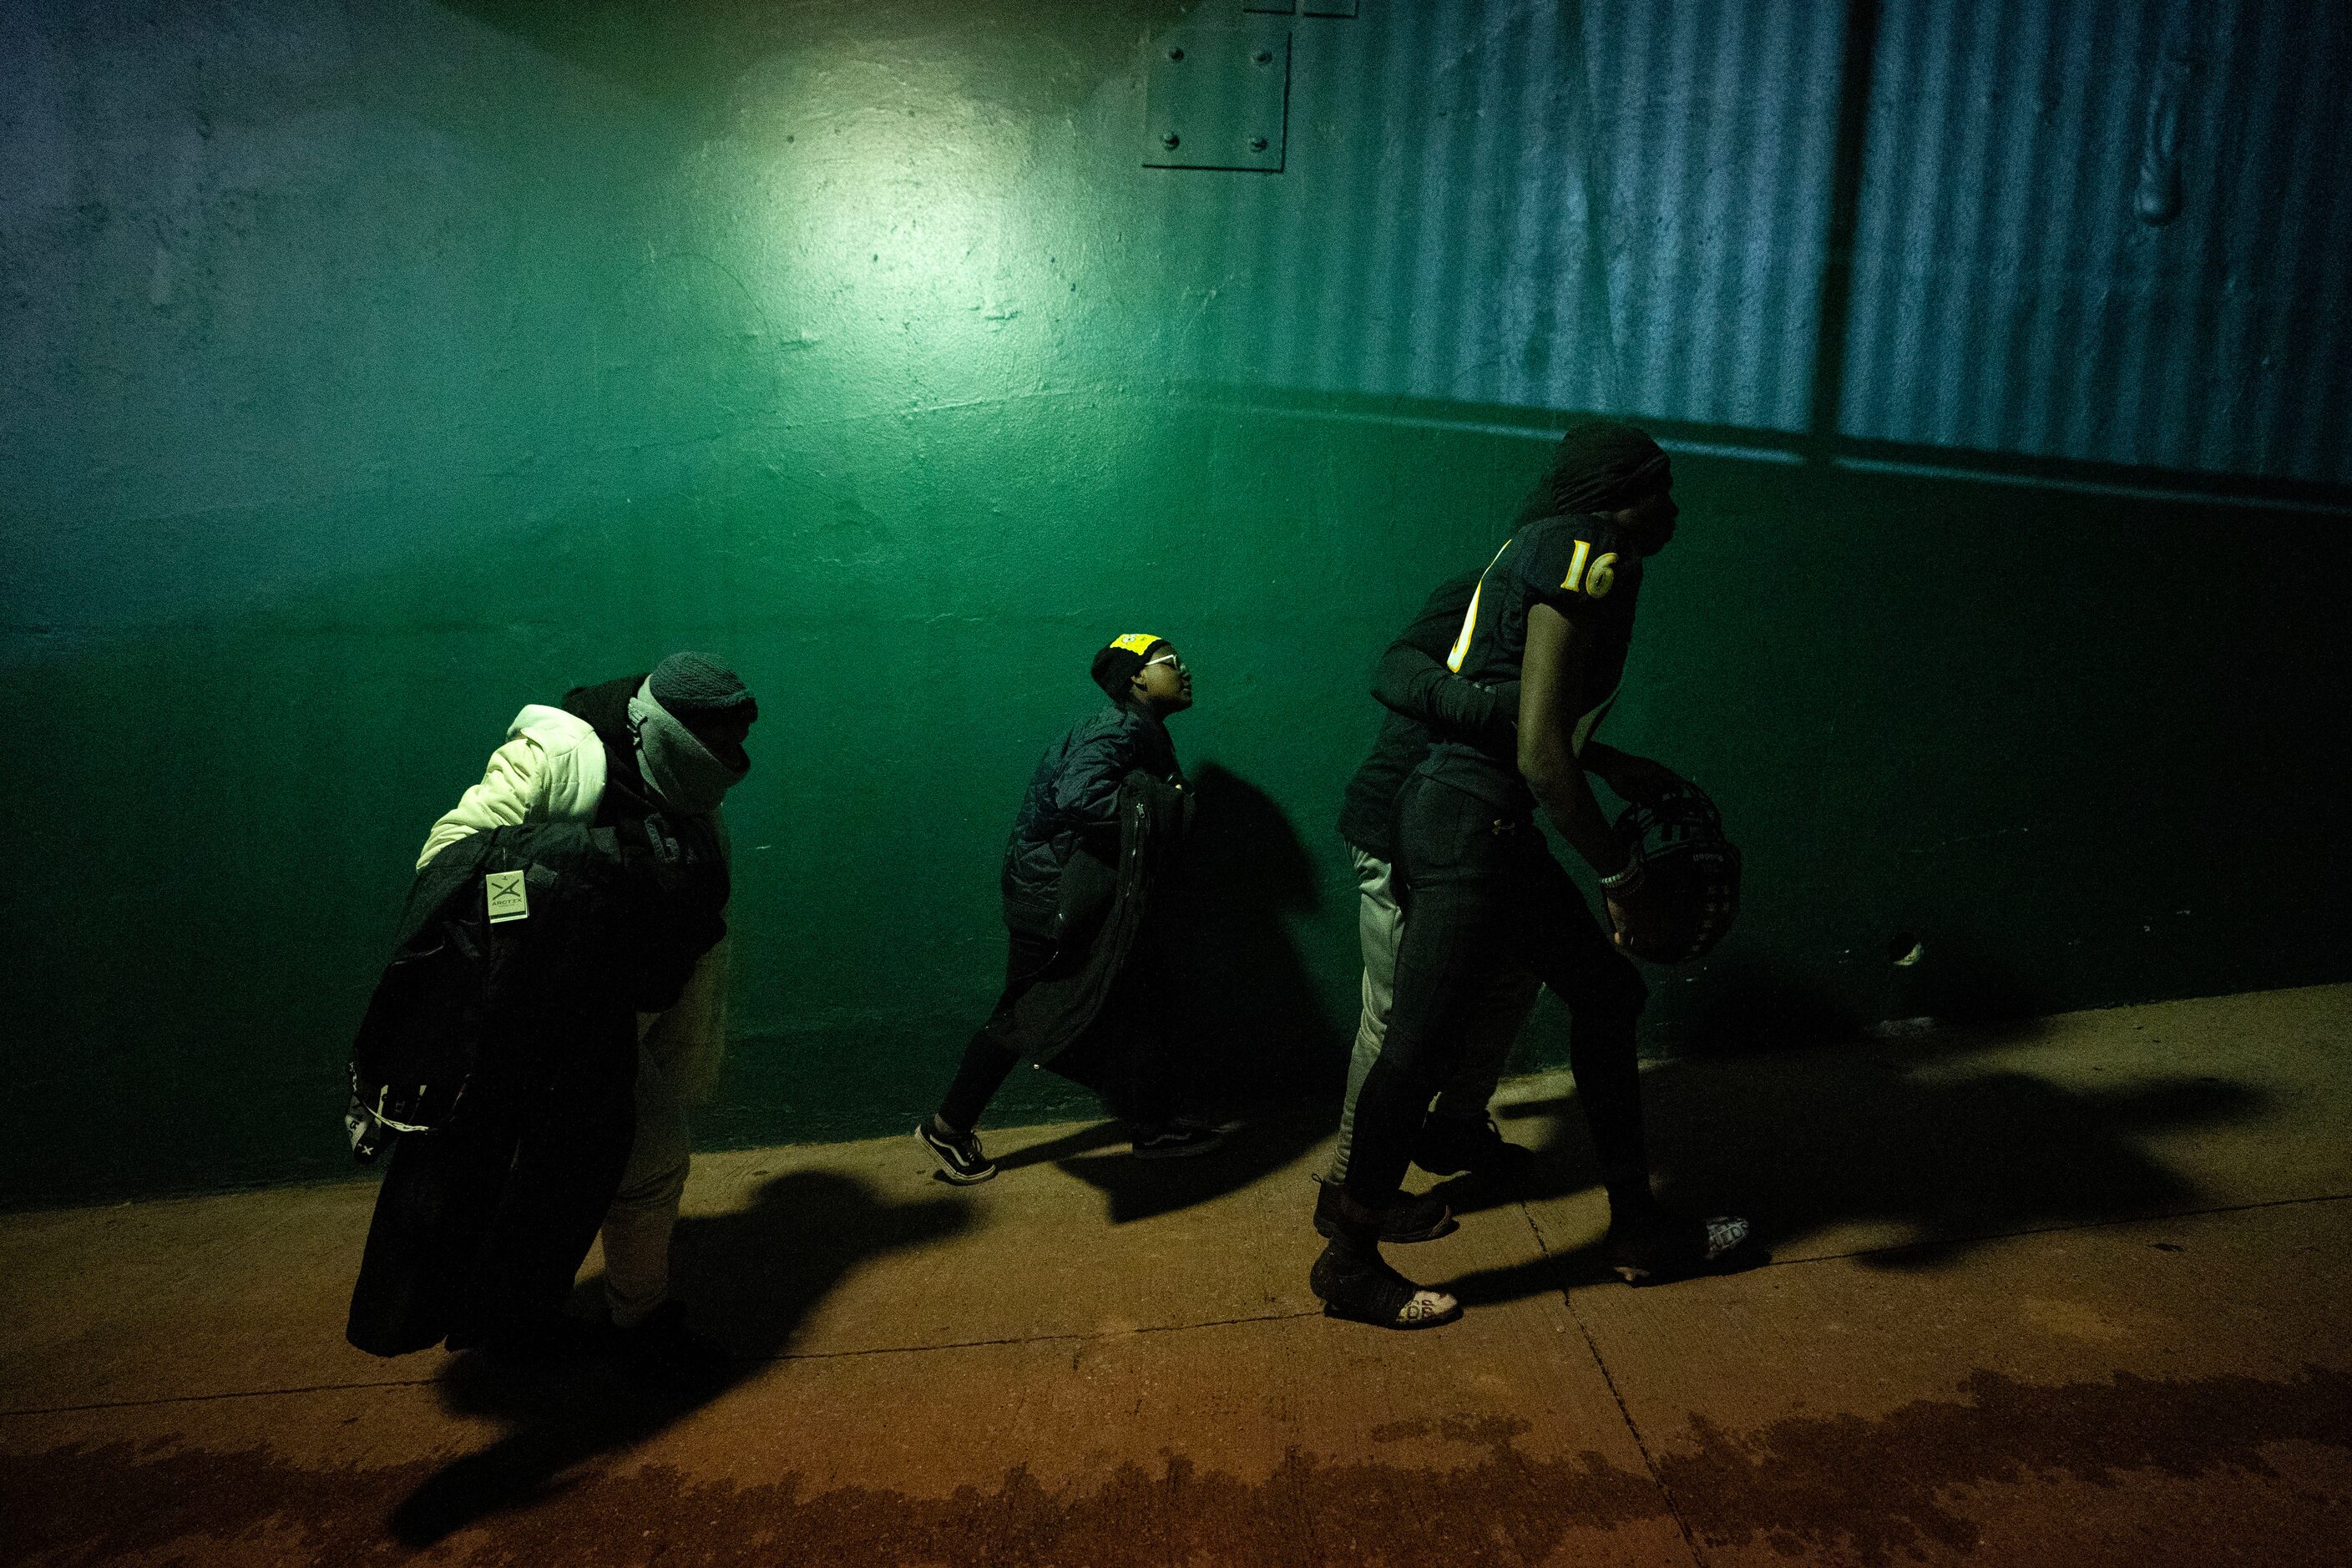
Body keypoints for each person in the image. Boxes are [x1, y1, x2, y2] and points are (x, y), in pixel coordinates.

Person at [1312, 419, 1753, 1330]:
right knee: (1417, 1042)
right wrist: (1620, 873)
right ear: (1615, 490)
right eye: (1659, 488)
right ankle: (1348, 1258)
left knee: (1606, 996)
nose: (1673, 507)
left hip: (1486, 817)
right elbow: (1541, 752)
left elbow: (1542, 725)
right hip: (1469, 820)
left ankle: (1637, 1227)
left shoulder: (1554, 546)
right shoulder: (1585, 546)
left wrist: (1612, 764)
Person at [356, 651, 756, 1377]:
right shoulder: (556, 754)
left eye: (740, 739)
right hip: (515, 1012)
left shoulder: (691, 794)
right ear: (657, 729)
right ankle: (614, 1326)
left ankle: (552, 1323)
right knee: (496, 1179)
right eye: (720, 742)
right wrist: (597, 861)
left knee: (609, 1166)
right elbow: (448, 861)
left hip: (605, 1014)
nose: (736, 759)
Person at [917, 634, 1222, 1182]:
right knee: (1024, 1011)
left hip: (1078, 895)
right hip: (1053, 896)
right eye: (1171, 664)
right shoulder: (1118, 728)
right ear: (1135, 679)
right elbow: (1079, 798)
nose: (1186, 671)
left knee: (1141, 997)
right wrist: (1168, 811)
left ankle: (1152, 1128)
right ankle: (946, 1129)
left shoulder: (1138, 729)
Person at [1318, 575, 1544, 1245]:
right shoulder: (1480, 591)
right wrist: (1496, 705)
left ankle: (1455, 1129)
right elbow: (1393, 668)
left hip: (1481, 831)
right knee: (1394, 1017)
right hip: (1399, 824)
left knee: (1513, 977)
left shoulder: (1566, 610)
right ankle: (1343, 1189)